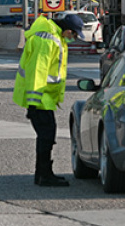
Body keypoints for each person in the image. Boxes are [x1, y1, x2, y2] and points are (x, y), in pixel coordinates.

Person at [13, 12, 85, 187]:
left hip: (43, 98)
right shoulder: (47, 40)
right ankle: (44, 175)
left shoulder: (53, 36)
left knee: (46, 135)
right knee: (46, 135)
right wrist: (33, 104)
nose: (73, 38)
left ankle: (42, 174)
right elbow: (38, 71)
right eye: (74, 34)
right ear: (67, 30)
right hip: (39, 99)